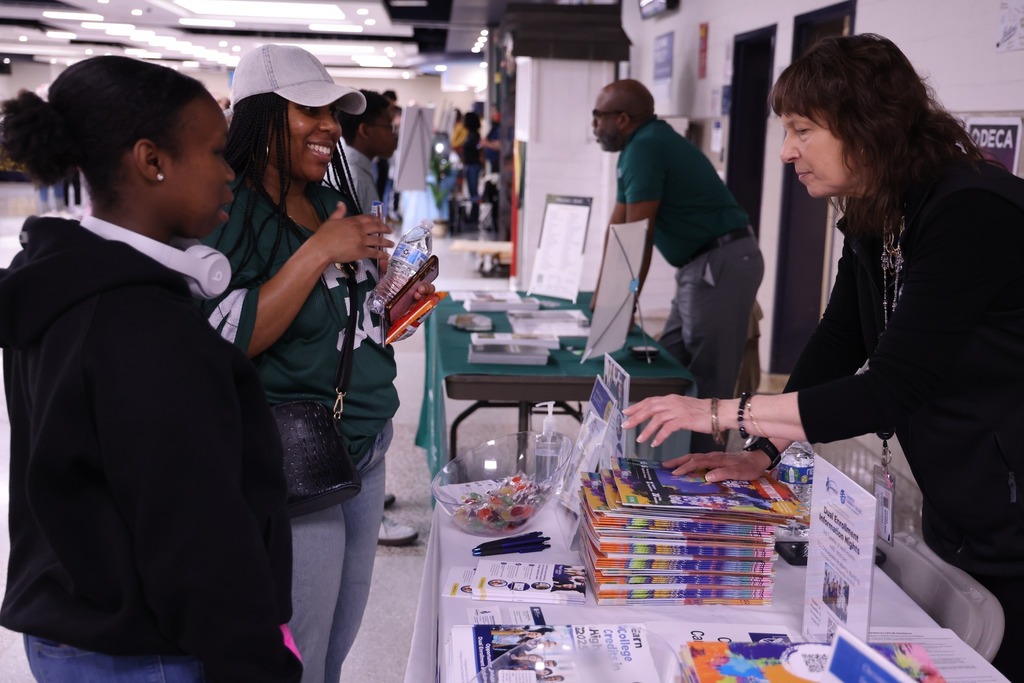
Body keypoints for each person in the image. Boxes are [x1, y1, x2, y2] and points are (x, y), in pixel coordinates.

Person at [621, 34, 1024, 681]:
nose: (787, 152)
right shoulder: (876, 212)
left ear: (869, 124)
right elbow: (840, 343)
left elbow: (890, 386)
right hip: (964, 495)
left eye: (802, 129)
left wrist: (721, 408)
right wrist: (761, 449)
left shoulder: (969, 211)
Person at [0, 56, 301, 681]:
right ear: (152, 160)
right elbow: (194, 535)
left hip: (76, 628)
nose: (228, 175)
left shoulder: (58, 284)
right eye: (217, 154)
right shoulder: (144, 330)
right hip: (149, 649)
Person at [200, 44, 432, 683]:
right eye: (309, 109)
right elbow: (226, 339)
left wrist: (393, 301)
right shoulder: (230, 211)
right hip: (293, 458)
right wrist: (317, 253)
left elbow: (347, 319)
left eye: (332, 110)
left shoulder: (327, 195)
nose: (329, 124)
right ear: (260, 117)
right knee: (298, 653)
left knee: (336, 643)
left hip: (365, 444)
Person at [591, 79, 764, 453]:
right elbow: (619, 227)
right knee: (669, 365)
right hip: (699, 267)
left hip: (721, 263)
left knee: (708, 380)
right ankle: (664, 464)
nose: (594, 126)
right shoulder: (637, 147)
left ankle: (704, 474)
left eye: (597, 116)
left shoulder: (647, 147)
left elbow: (640, 232)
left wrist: (619, 304)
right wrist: (606, 294)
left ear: (622, 119)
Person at [331, 88, 417, 546]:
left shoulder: (361, 169)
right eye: (389, 126)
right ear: (365, 130)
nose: (394, 134)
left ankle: (366, 489)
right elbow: (362, 267)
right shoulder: (352, 176)